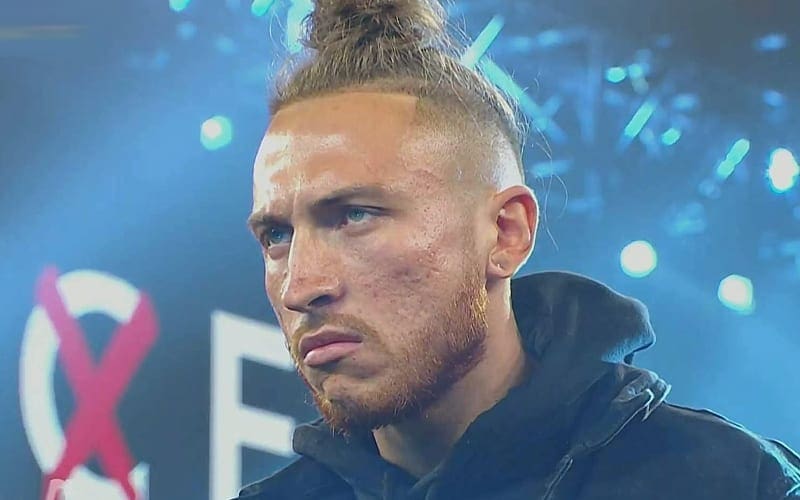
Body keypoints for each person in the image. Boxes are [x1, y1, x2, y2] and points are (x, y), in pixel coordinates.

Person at [239, 0, 800, 498]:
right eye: (277, 236)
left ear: (506, 233)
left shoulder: (732, 484)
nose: (300, 287)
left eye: (355, 215)